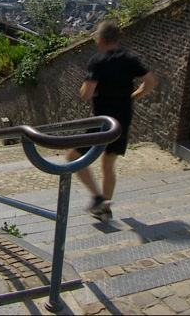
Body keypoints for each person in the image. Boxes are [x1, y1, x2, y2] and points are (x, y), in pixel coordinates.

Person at [67, 20, 158, 222]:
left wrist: (84, 88)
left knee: (73, 156)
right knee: (108, 164)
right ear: (117, 39)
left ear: (100, 40)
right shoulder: (130, 60)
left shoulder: (97, 62)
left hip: (103, 123)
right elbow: (151, 82)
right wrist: (132, 97)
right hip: (123, 119)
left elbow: (87, 93)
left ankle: (99, 198)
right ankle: (105, 208)